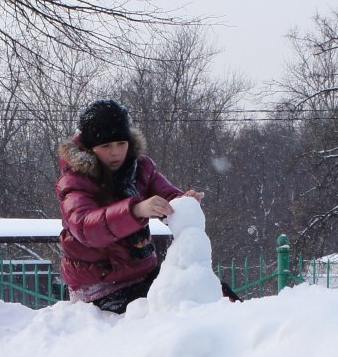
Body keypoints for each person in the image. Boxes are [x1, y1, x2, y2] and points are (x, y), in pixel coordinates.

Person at [56, 99, 238, 313]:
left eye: (121, 144)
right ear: (90, 147)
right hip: (99, 288)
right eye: (106, 146)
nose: (116, 152)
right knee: (172, 307)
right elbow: (87, 228)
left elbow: (168, 195)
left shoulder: (140, 168)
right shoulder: (75, 181)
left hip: (142, 274)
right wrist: (135, 210)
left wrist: (184, 201)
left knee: (215, 293)